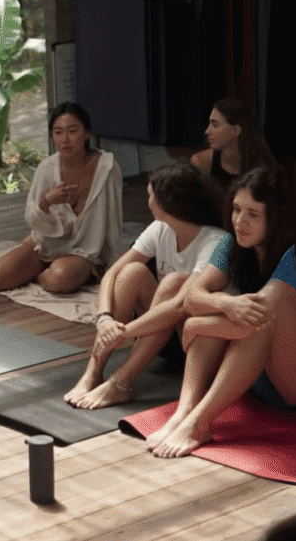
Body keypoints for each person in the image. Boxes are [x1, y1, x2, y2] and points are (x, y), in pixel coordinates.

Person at [146, 167, 296, 458]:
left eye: (253, 214)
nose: (239, 222)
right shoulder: (230, 245)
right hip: (255, 378)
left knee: (269, 297)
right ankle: (184, 412)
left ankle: (199, 423)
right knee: (220, 300)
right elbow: (193, 296)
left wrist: (197, 324)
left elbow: (255, 324)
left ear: (274, 219)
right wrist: (225, 305)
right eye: (236, 209)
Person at [64, 159, 226, 409]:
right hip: (158, 337)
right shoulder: (160, 228)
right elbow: (112, 274)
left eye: (151, 196)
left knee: (174, 284)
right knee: (132, 273)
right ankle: (92, 373)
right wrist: (105, 319)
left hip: (195, 342)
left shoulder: (215, 241)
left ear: (167, 203)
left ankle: (121, 382)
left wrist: (125, 332)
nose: (147, 201)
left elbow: (180, 305)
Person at [0, 102, 123, 294]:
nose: (64, 140)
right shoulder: (46, 169)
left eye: (72, 131)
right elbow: (32, 218)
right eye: (57, 132)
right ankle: (40, 268)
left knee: (57, 279)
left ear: (87, 133)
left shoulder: (107, 168)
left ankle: (53, 273)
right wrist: (46, 201)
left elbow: (114, 220)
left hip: (84, 251)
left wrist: (112, 263)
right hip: (45, 244)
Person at [189, 97, 279, 191]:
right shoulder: (202, 162)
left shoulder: (264, 165)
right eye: (209, 124)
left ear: (235, 130)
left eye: (215, 125)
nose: (207, 131)